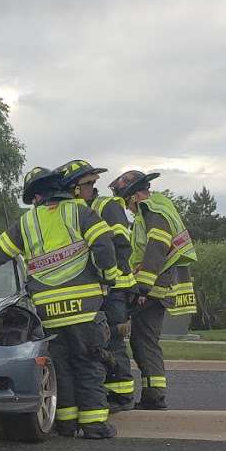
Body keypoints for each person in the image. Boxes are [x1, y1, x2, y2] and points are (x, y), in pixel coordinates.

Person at [0, 161, 121, 438]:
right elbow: (103, 242)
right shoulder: (79, 211)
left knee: (60, 368)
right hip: (84, 310)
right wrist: (110, 275)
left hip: (48, 312)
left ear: (36, 197)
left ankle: (66, 424)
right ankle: (95, 425)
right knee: (88, 364)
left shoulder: (27, 221)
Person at [108, 170, 198, 410]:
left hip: (153, 287)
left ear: (134, 196)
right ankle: (152, 393)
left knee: (144, 341)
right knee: (142, 340)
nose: (128, 208)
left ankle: (154, 396)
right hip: (156, 284)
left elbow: (157, 246)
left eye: (127, 202)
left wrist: (142, 288)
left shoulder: (152, 210)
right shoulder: (157, 208)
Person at [75, 165, 138, 411]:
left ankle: (121, 395)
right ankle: (108, 390)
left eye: (88, 185)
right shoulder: (80, 210)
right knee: (99, 340)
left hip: (115, 287)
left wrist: (110, 277)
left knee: (113, 338)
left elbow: (120, 245)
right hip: (99, 288)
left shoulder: (105, 207)